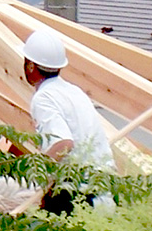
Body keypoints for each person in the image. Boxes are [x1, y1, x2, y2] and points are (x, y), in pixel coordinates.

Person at [22, 27, 118, 212]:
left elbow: (63, 143)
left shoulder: (44, 98)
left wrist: (34, 175)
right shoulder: (75, 91)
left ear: (31, 66)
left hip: (78, 196)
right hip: (104, 190)